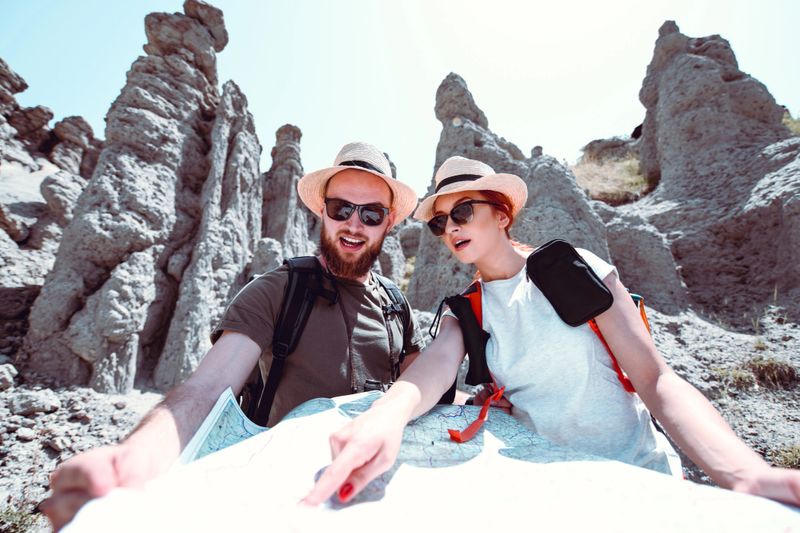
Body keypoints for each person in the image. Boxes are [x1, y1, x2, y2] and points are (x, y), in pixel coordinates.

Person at [303, 155, 800, 507]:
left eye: (462, 212)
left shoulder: (568, 267)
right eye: (439, 222)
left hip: (637, 481)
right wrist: (385, 418)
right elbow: (430, 373)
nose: (450, 228)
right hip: (552, 494)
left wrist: (743, 474)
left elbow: (655, 379)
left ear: (502, 213)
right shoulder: (465, 310)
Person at [40, 142, 426, 530]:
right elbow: (206, 390)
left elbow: (422, 385)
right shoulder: (276, 291)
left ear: (389, 221)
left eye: (371, 214)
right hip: (281, 498)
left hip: (372, 497)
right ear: (320, 210)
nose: (354, 224)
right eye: (341, 209)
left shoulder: (396, 303)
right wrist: (132, 458)